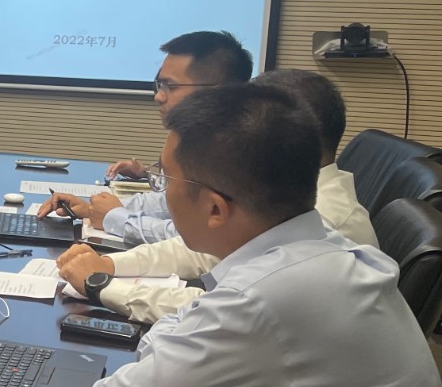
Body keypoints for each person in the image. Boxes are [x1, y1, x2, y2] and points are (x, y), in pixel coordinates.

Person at [83, 82, 442, 387]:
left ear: (215, 208)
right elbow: (193, 321)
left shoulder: (266, 299)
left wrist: (174, 337)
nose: (162, 191)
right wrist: (182, 334)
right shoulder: (323, 249)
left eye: (166, 179)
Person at [56, 68, 378, 323]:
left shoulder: (325, 220)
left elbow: (223, 313)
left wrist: (103, 285)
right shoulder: (282, 197)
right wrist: (107, 265)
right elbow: (203, 256)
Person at [42, 30, 253, 244]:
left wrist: (116, 218)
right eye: (159, 85)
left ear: (215, 91)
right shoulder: (200, 138)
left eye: (170, 86)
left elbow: (191, 237)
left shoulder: (240, 149)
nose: (158, 96)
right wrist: (94, 208)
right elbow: (168, 202)